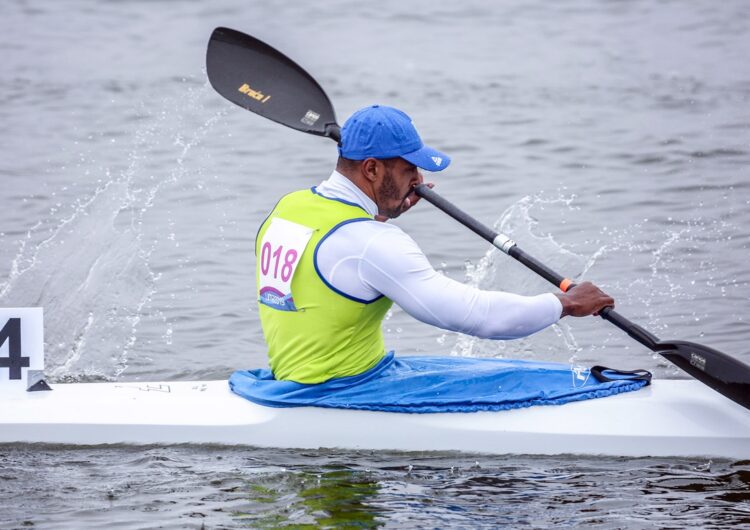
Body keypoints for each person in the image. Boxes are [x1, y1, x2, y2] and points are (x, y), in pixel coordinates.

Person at [255, 104, 614, 384]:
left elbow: (335, 272)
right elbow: (478, 317)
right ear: (371, 169)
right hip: (346, 389)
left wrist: (381, 211)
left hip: (293, 380)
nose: (419, 179)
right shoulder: (372, 243)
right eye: (408, 169)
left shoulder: (289, 207)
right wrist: (566, 303)